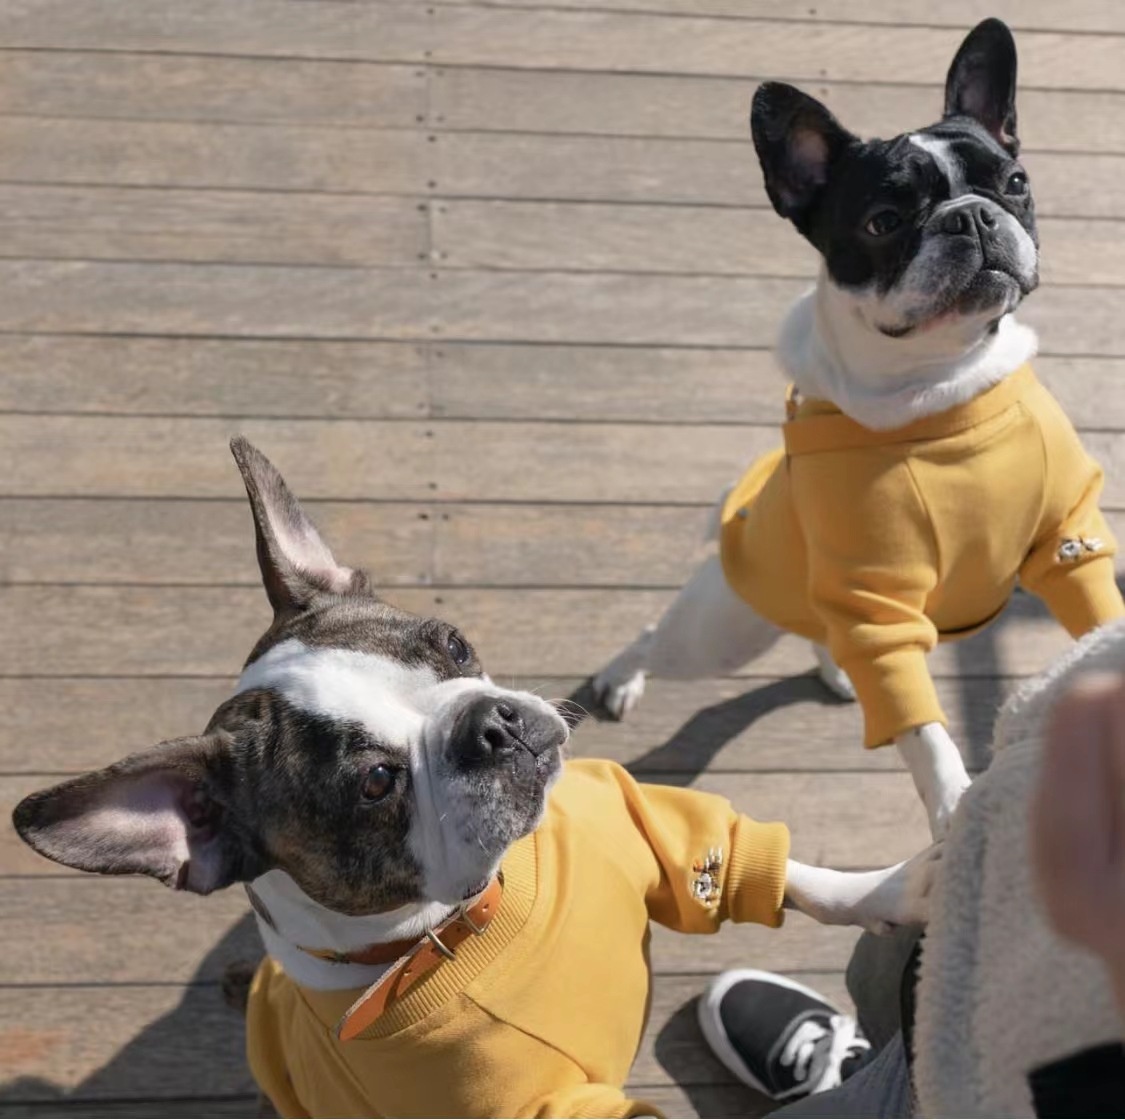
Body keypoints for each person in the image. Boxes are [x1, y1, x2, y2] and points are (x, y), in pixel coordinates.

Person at [699, 659, 1125, 1116]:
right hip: (996, 938)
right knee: (890, 976)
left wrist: (800, 884)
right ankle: (874, 1065)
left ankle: (882, 1095)